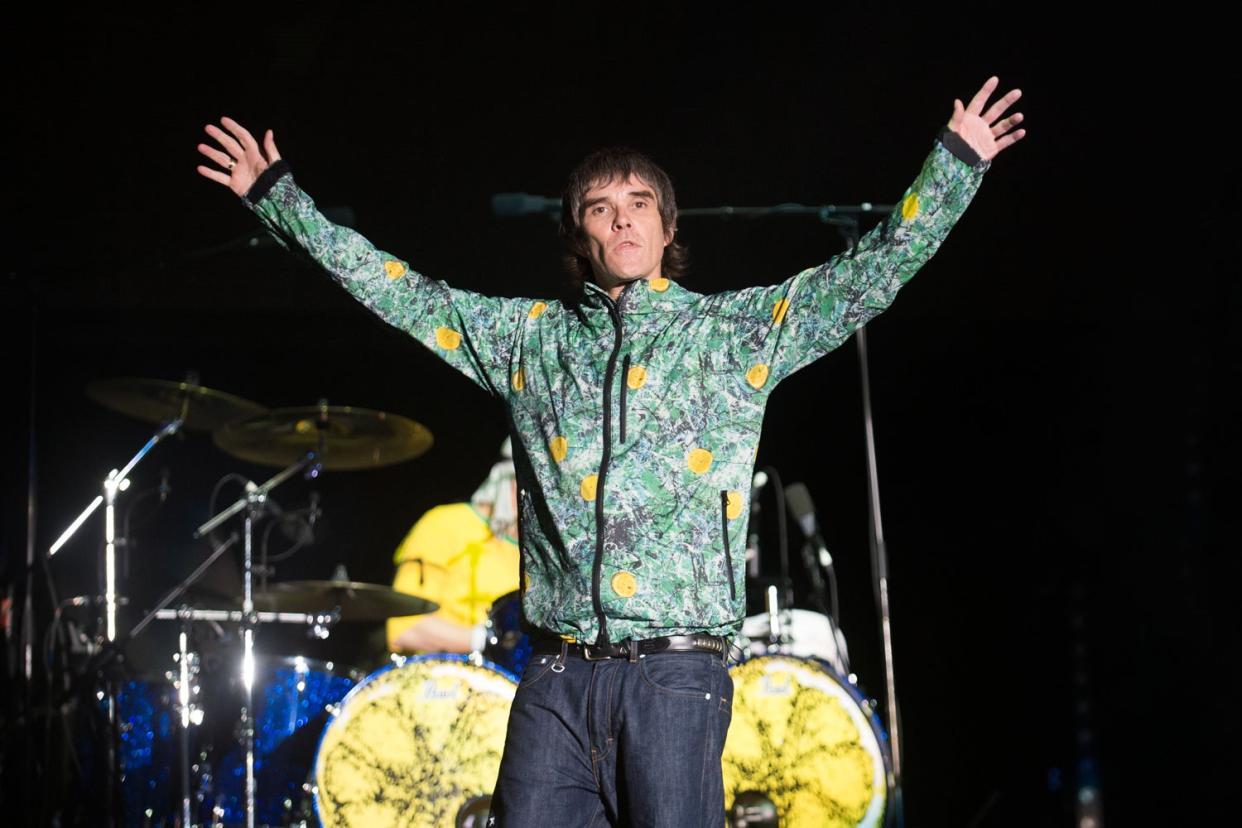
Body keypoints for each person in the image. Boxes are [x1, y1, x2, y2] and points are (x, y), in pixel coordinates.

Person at [197, 76, 1023, 826]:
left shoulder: (731, 335)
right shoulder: (529, 342)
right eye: (600, 205)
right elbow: (398, 290)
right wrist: (278, 198)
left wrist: (956, 164)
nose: (622, 216)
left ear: (668, 230)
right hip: (554, 679)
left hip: (674, 678)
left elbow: (869, 273)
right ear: (580, 236)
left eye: (638, 203)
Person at [387, 441, 521, 655]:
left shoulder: (541, 555)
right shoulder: (446, 523)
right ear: (507, 479)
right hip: (439, 680)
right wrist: (488, 641)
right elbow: (406, 628)